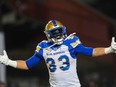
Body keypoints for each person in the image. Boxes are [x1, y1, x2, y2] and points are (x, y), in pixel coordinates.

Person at [0, 20, 116, 87]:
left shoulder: (71, 42)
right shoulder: (43, 47)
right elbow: (27, 64)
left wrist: (109, 49)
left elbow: (91, 52)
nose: (58, 35)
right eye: (54, 33)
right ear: (48, 34)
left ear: (64, 30)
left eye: (59, 32)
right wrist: (8, 62)